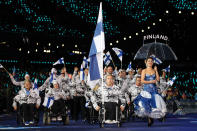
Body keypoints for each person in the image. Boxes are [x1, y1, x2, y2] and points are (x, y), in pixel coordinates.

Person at [134, 57, 167, 127]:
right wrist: (151, 81)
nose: (150, 62)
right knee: (147, 104)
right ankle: (150, 119)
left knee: (155, 104)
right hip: (146, 90)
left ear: (153, 62)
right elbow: (142, 81)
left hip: (154, 90)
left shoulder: (154, 70)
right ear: (146, 62)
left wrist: (156, 71)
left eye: (151, 61)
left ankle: (154, 117)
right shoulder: (144, 70)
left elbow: (158, 79)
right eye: (148, 61)